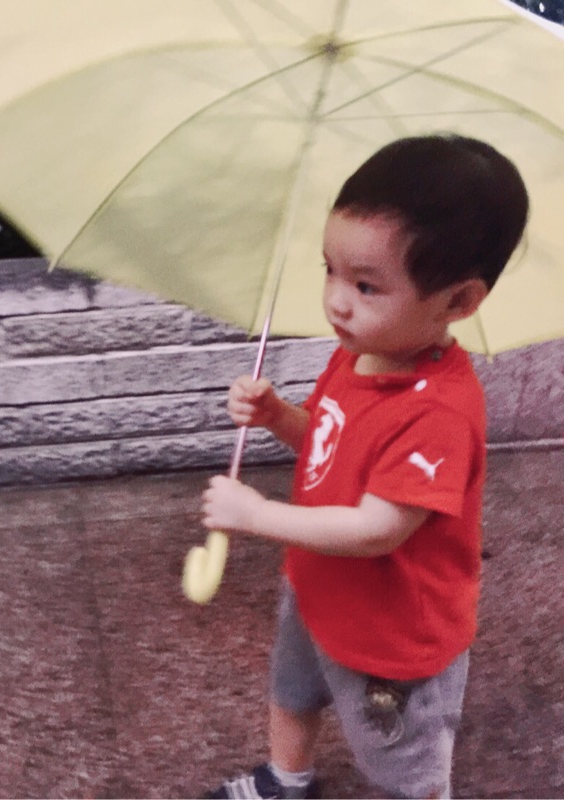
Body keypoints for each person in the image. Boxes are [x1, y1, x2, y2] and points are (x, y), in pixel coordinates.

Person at [200, 134, 529, 800]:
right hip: (319, 588)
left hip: (392, 634)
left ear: (459, 301)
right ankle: (287, 778)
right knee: (292, 691)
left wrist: (258, 515)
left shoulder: (438, 412)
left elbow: (380, 528)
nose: (337, 301)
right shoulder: (357, 355)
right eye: (330, 270)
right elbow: (329, 443)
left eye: (366, 285)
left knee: (402, 760)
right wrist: (279, 416)